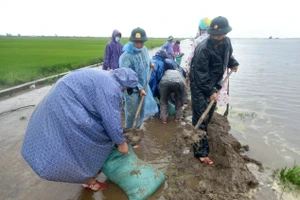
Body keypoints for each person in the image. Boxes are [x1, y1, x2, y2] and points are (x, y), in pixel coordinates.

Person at [21, 68, 138, 191]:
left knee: (63, 140)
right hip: (68, 107)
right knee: (87, 142)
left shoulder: (104, 75)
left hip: (59, 98)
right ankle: (90, 181)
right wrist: (121, 142)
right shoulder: (112, 88)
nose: (124, 91)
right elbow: (111, 121)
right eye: (126, 89)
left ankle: (88, 178)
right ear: (125, 85)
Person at [190, 16, 239, 165]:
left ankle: (203, 135)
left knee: (209, 113)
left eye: (220, 34)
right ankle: (200, 152)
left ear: (225, 33)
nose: (217, 37)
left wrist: (233, 63)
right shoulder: (203, 49)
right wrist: (210, 91)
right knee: (200, 116)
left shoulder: (227, 41)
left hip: (215, 83)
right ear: (210, 32)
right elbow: (200, 74)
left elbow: (227, 56)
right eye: (214, 34)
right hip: (199, 85)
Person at [119, 27, 158, 128]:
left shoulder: (143, 50)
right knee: (132, 113)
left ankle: (137, 130)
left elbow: (147, 59)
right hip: (131, 90)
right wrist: (139, 88)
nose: (139, 44)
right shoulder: (127, 57)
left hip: (143, 87)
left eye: (141, 42)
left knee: (141, 110)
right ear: (132, 41)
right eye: (137, 42)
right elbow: (126, 76)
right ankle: (130, 132)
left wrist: (151, 63)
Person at [186, 17, 211, 85]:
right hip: (215, 76)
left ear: (199, 28)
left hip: (200, 75)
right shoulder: (216, 39)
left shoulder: (198, 41)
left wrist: (188, 74)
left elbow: (190, 59)